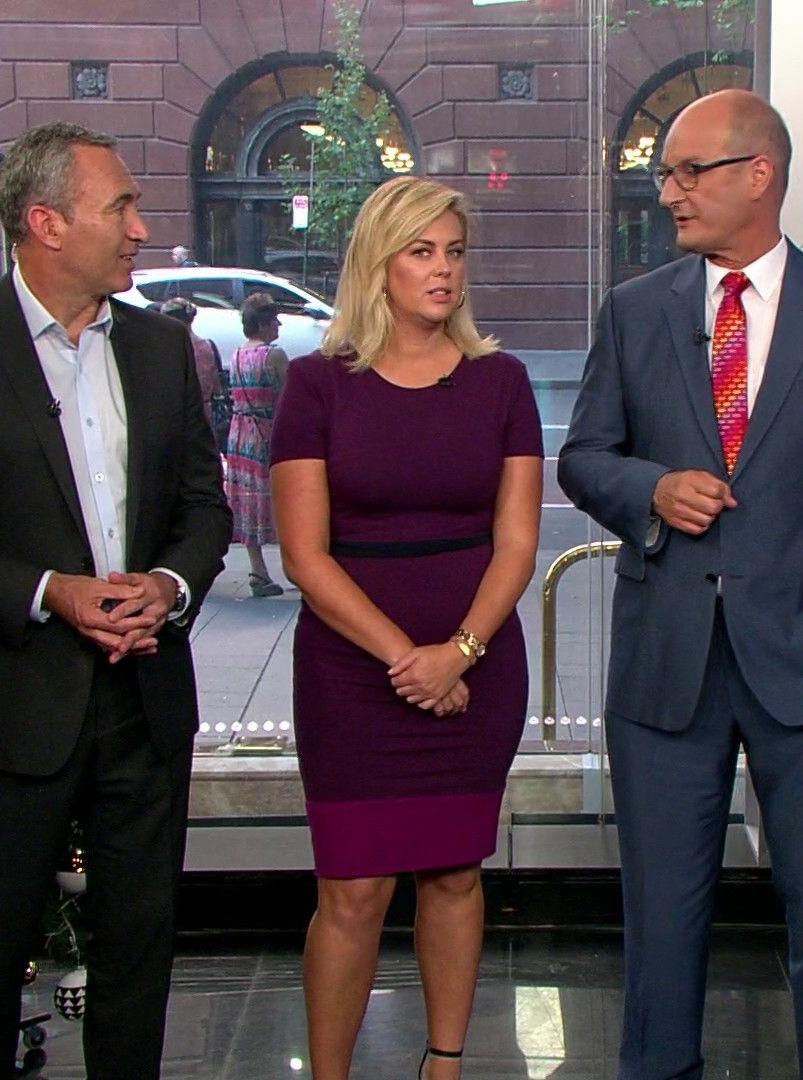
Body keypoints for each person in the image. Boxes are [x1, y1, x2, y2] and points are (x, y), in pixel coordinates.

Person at [557, 89, 803, 1080]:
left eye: (690, 172)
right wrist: (650, 489)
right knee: (661, 921)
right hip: (666, 665)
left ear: (759, 174)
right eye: (665, 175)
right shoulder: (636, 312)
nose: (669, 193)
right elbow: (584, 457)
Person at [0, 121, 231, 1079]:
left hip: (144, 700)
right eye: (121, 208)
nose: (141, 228)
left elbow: (204, 507)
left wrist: (168, 586)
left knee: (138, 949)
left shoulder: (161, 348)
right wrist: (47, 592)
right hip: (7, 705)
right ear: (46, 223)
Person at [270, 175, 542, 1080]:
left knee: (455, 873)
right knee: (353, 888)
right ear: (377, 265)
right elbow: (305, 555)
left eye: (454, 252)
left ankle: (444, 1066)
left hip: (478, 663)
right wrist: (406, 660)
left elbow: (517, 544)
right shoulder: (315, 385)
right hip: (352, 674)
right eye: (421, 252)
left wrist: (458, 654)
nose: (443, 270)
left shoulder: (502, 382)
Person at [228, 291, 291, 597]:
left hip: (239, 433)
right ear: (264, 324)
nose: (278, 325)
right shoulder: (273, 356)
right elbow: (291, 399)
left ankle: (258, 569)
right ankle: (297, 566)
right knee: (282, 499)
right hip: (267, 432)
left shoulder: (237, 354)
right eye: (275, 320)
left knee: (248, 499)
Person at [155, 296, 231, 452]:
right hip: (204, 417)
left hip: (176, 420)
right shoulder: (207, 346)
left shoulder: (167, 349)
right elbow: (216, 387)